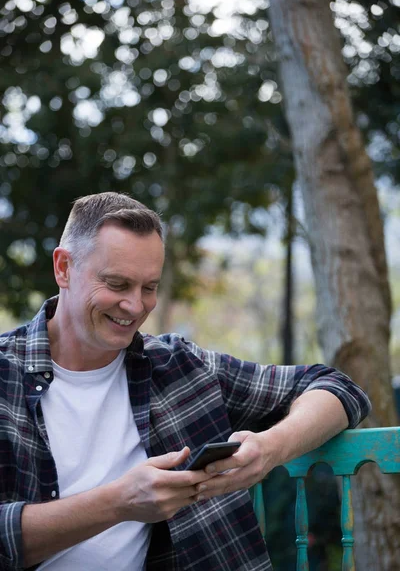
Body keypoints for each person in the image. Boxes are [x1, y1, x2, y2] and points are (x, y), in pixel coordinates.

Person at [0, 192, 371, 571]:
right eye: (116, 283)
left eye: (149, 287)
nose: (134, 306)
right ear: (63, 268)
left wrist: (268, 450)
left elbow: (338, 389)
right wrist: (119, 503)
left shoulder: (180, 366)